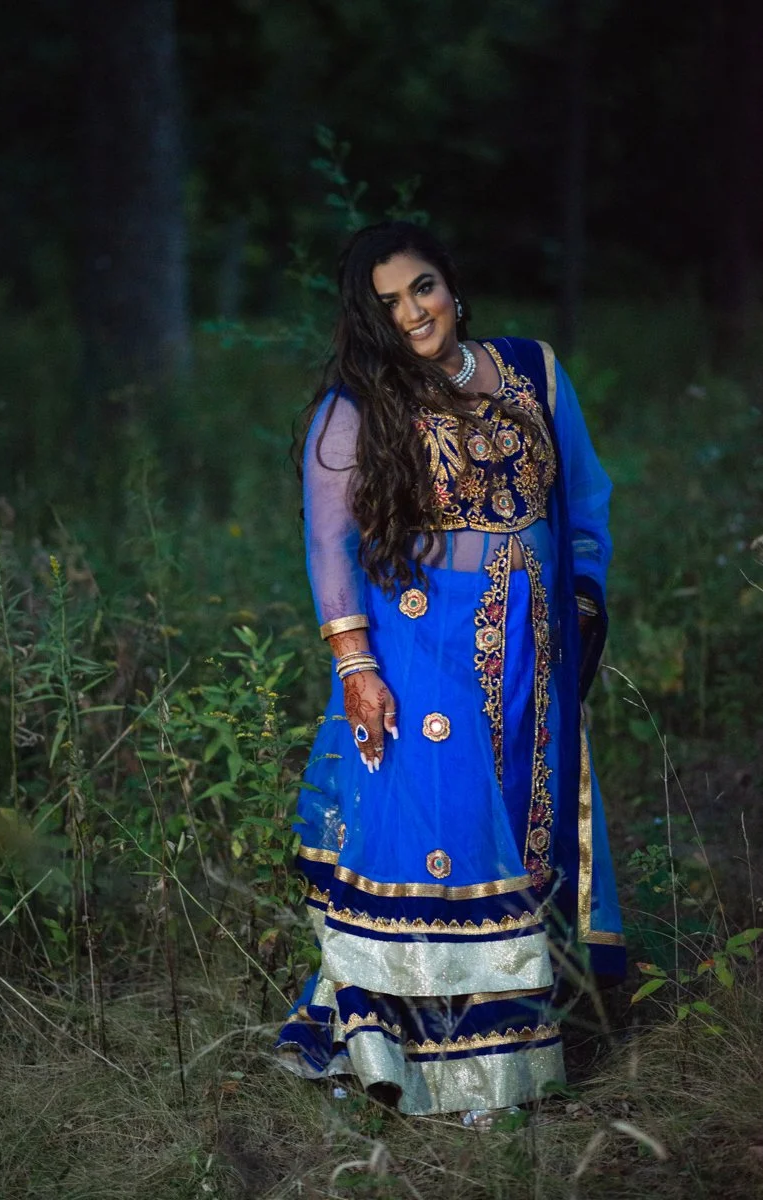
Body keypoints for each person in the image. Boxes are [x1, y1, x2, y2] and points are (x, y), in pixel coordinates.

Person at [274, 221, 624, 1120]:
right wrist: (357, 667)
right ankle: (438, 1056)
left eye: (421, 287)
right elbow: (329, 543)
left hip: (532, 639)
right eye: (388, 304)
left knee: (519, 816)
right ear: (369, 322)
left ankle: (513, 1035)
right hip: (419, 647)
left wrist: (582, 596)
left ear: (451, 285)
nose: (412, 312)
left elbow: (582, 493)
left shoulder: (531, 372)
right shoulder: (355, 406)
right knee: (448, 833)